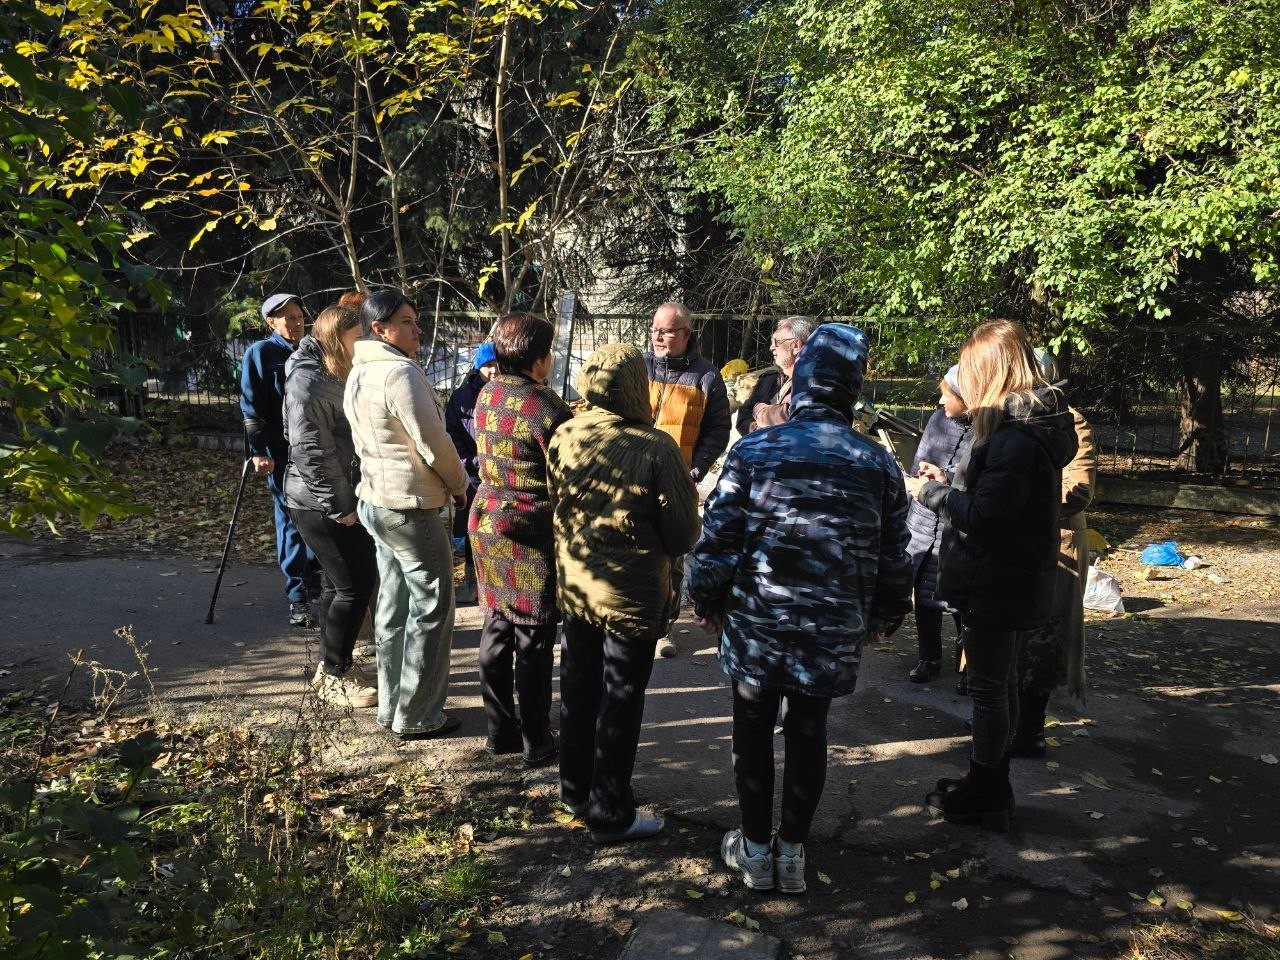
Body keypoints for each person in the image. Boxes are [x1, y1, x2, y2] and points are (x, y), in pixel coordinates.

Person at [688, 323, 912, 893]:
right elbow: (894, 551)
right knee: (810, 729)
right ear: (852, 386)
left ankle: (756, 851)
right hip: (831, 624)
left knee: (753, 726)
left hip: (758, 621)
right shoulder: (877, 463)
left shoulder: (759, 449)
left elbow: (720, 534)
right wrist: (884, 616)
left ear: (803, 381)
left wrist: (707, 597)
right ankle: (792, 854)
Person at [904, 320, 1076, 831]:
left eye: (972, 372)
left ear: (991, 374)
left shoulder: (1014, 440)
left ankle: (987, 789)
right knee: (1000, 686)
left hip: (997, 583)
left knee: (988, 690)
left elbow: (986, 519)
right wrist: (953, 481)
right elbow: (996, 500)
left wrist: (931, 495)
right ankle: (989, 783)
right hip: (1011, 580)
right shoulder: (1024, 433)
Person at [548, 343, 701, 844]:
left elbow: (559, 501)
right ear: (639, 387)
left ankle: (575, 789)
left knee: (578, 685)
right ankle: (610, 812)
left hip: (576, 586)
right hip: (631, 595)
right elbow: (683, 534)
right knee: (621, 695)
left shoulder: (565, 433)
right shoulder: (655, 447)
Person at [344, 289, 469, 741]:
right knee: (432, 607)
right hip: (410, 506)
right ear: (380, 328)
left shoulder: (361, 370)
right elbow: (434, 443)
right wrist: (460, 485)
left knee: (394, 606)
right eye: (408, 321)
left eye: (417, 320)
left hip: (378, 502)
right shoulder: (398, 373)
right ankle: (417, 714)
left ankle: (393, 705)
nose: (418, 329)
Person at [468, 315, 572, 765]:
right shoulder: (542, 404)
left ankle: (499, 731)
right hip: (529, 528)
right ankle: (537, 740)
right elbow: (569, 465)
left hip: (487, 519)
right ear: (540, 357)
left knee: (497, 625)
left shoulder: (489, 391)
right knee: (532, 637)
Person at [282, 305, 377, 709]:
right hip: (320, 501)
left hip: (334, 495)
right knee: (352, 586)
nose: (366, 344)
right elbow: (311, 451)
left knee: (347, 584)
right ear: (339, 338)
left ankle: (334, 665)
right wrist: (340, 505)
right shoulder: (308, 381)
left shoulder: (332, 370)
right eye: (360, 336)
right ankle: (334, 674)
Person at [1011, 350, 1097, 756]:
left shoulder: (1070, 420)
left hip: (1053, 543)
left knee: (1042, 640)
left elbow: (1078, 491)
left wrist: (1016, 500)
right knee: (1008, 636)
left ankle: (1030, 730)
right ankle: (1003, 721)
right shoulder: (1004, 415)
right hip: (1011, 542)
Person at [645, 301, 730, 657]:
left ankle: (663, 629)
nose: (658, 337)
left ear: (685, 334)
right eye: (654, 330)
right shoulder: (638, 367)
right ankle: (636, 623)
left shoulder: (706, 376)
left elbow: (718, 429)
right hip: (633, 478)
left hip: (677, 485)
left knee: (672, 560)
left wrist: (695, 471)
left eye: (665, 331)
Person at [240, 292, 320, 626]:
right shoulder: (260, 353)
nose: (296, 322)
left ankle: (319, 588)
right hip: (280, 453)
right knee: (291, 522)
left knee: (321, 518)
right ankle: (297, 596)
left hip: (316, 452)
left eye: (299, 315)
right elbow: (250, 406)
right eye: (287, 317)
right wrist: (258, 451)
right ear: (270, 322)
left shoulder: (313, 351)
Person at [905, 366, 972, 685]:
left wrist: (947, 478)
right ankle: (928, 656)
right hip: (922, 517)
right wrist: (924, 475)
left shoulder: (986, 427)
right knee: (924, 590)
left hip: (955, 521)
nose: (942, 399)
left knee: (960, 597)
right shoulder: (937, 419)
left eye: (948, 393)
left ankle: (969, 665)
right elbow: (920, 459)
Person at [446, 341, 498, 605]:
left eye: (497, 364)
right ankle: (470, 582)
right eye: (488, 365)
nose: (493, 370)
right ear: (478, 366)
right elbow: (451, 434)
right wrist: (471, 462)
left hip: (501, 473)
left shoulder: (507, 393)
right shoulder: (462, 397)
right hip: (474, 475)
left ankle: (494, 584)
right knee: (471, 530)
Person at [734, 316, 814, 435]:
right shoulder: (767, 380)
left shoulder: (816, 380)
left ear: (796, 346)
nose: (771, 347)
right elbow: (743, 419)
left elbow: (793, 416)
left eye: (777, 342)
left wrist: (759, 410)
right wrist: (763, 433)